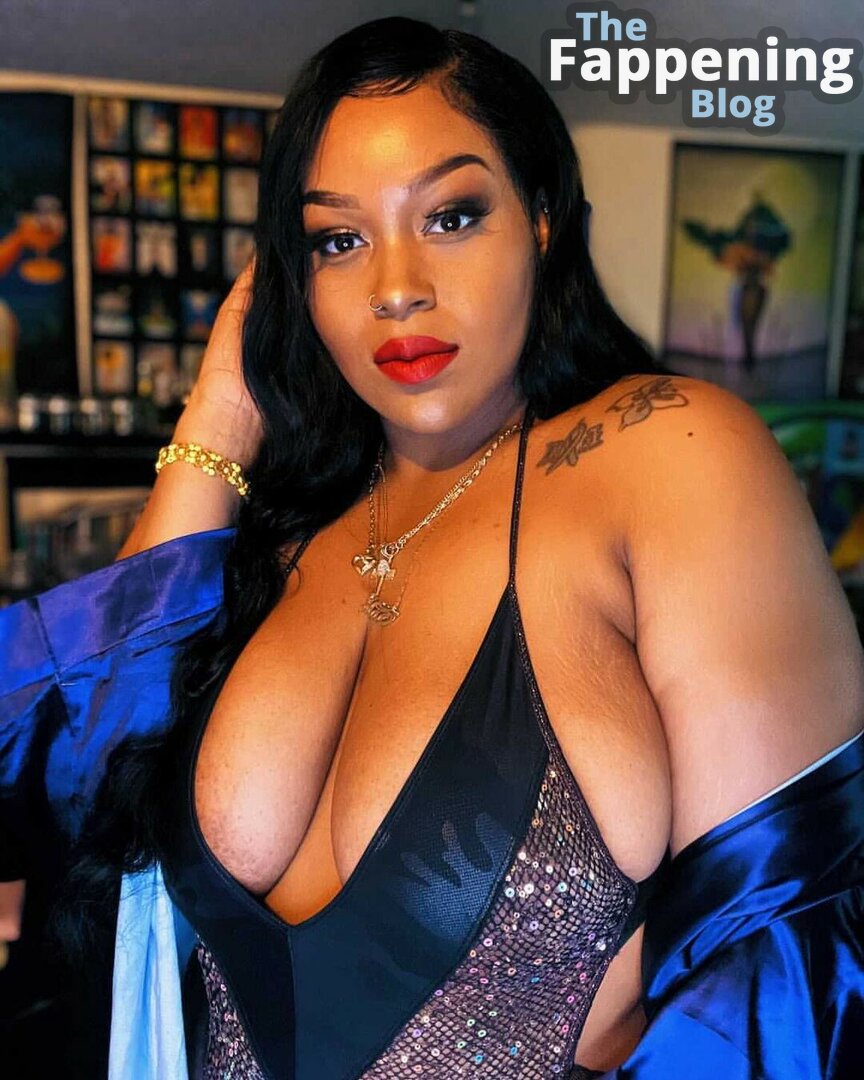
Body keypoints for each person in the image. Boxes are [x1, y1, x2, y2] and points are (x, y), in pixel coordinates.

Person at [2, 16, 863, 1080]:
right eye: (337, 240)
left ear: (541, 219)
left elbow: (781, 958)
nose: (395, 285)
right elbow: (71, 772)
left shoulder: (665, 455)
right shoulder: (285, 535)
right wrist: (219, 412)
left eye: (451, 216)